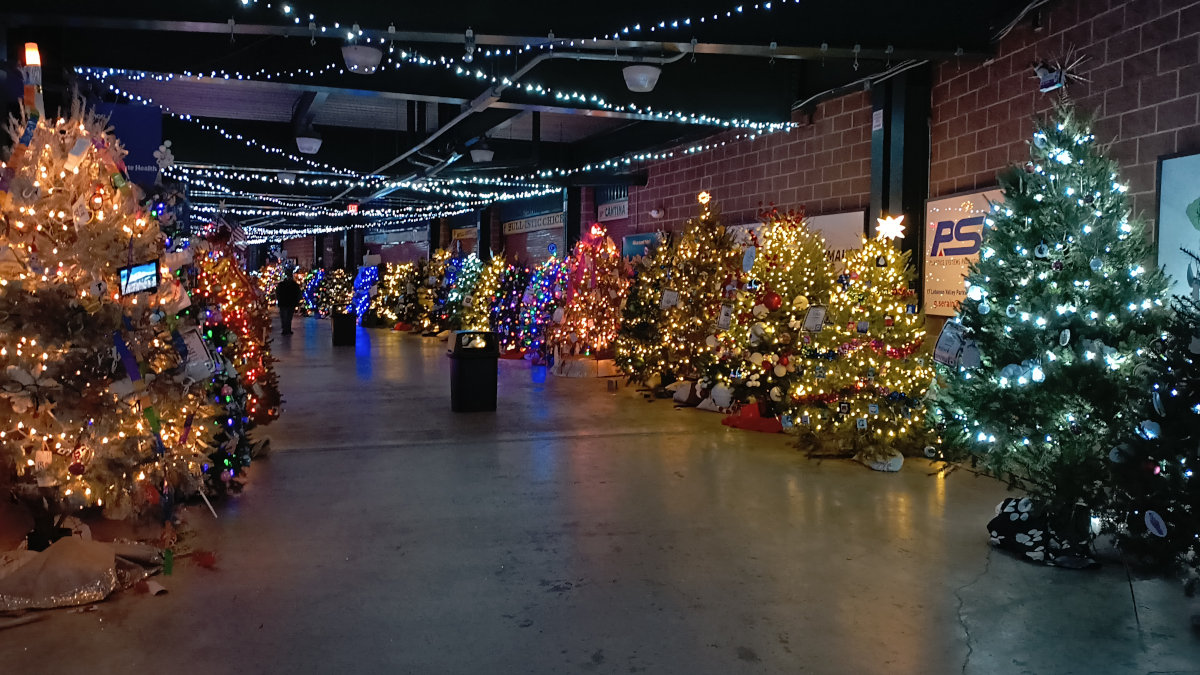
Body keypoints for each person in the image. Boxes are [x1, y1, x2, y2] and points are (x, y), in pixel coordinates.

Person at [275, 269, 302, 335]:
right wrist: (297, 301)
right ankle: (287, 329)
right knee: (288, 317)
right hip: (290, 303)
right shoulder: (294, 285)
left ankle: (285, 329)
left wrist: (279, 299)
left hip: (284, 303)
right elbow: (298, 293)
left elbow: (277, 293)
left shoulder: (281, 285)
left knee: (285, 317)